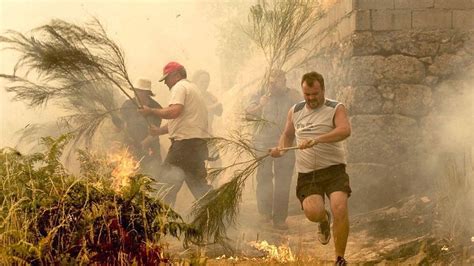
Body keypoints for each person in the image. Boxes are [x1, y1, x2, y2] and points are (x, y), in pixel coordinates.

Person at [269, 71, 351, 265]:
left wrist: (317, 140)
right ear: (303, 91)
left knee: (340, 207)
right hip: (308, 174)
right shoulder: (295, 111)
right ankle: (323, 220)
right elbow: (287, 135)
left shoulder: (336, 107)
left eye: (315, 94)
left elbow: (344, 130)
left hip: (334, 170)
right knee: (313, 212)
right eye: (307, 94)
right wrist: (280, 149)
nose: (311, 98)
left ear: (322, 90)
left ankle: (340, 258)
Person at [138, 62, 211, 206]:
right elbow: (181, 121)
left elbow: (174, 111)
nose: (165, 83)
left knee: (165, 185)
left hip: (184, 146)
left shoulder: (179, 87)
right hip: (196, 146)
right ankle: (218, 216)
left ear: (176, 75)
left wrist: (151, 111)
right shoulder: (192, 88)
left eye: (167, 78)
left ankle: (162, 220)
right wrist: (159, 131)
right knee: (199, 187)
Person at [245, 69, 301, 230]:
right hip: (262, 142)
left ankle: (280, 219)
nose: (273, 86)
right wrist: (260, 106)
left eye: (277, 82)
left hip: (286, 142)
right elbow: (247, 115)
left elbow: (304, 112)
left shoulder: (293, 95)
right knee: (263, 178)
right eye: (270, 82)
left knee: (283, 181)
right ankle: (264, 214)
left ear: (284, 81)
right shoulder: (259, 94)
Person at [112, 78, 162, 176]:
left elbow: (155, 133)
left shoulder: (156, 108)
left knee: (152, 177)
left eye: (140, 91)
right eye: (136, 91)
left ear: (147, 93)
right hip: (129, 147)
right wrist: (118, 125)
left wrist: (142, 144)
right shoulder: (127, 104)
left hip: (150, 149)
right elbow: (120, 128)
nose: (136, 93)